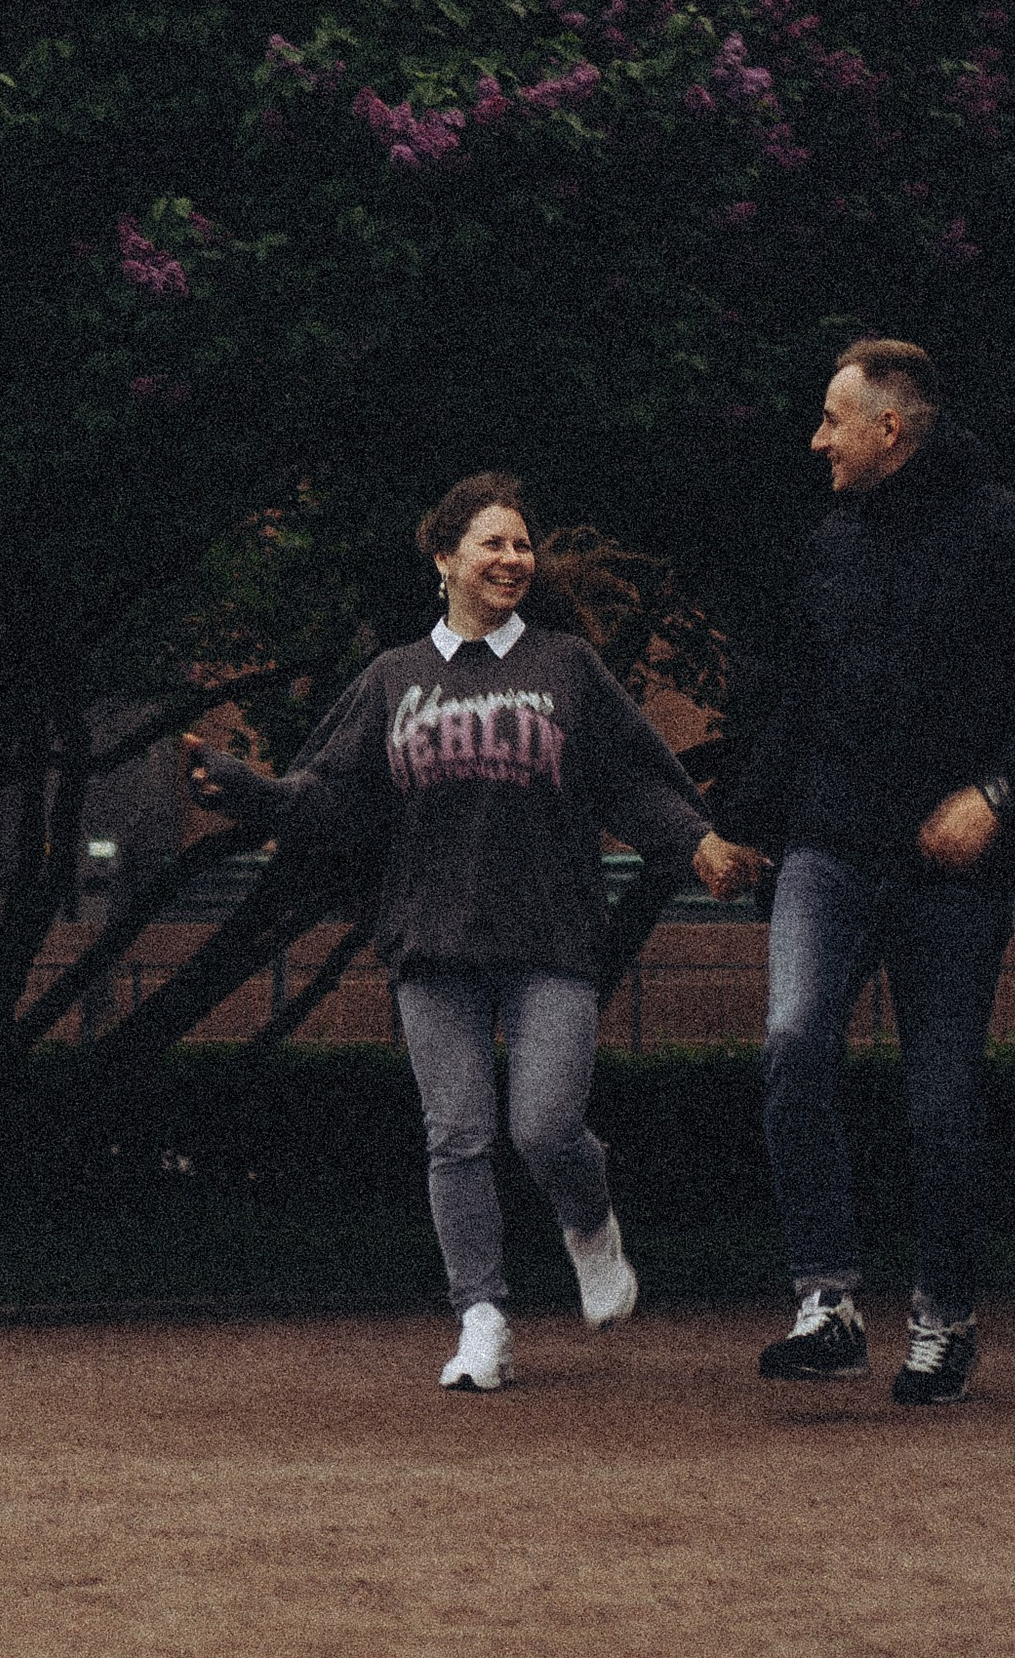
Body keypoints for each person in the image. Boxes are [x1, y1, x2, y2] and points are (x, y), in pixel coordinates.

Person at [186, 474, 763, 1392]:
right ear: (444, 556)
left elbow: (633, 780)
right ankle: (481, 1318)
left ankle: (589, 1220)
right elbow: (329, 795)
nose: (511, 560)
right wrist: (244, 788)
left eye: (521, 545)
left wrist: (695, 843)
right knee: (456, 1136)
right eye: (492, 544)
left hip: (552, 940)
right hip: (432, 941)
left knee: (544, 1129)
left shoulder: (566, 667)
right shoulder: (393, 678)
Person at [724, 339, 1015, 1409]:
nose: (816, 439)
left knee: (939, 1100)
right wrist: (741, 826)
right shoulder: (828, 547)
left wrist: (996, 794)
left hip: (952, 871)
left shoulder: (1006, 536)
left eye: (830, 419)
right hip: (829, 848)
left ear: (888, 428)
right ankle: (828, 1301)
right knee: (795, 1038)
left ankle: (943, 1316)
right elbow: (795, 704)